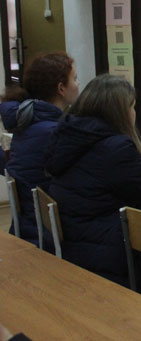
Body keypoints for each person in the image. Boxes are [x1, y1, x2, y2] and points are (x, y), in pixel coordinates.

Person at [43, 74, 141, 286]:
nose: (134, 113)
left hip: (74, 247)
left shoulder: (66, 137)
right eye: (132, 107)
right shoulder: (117, 148)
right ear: (120, 112)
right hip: (110, 259)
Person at [0, 52, 79, 246]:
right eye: (75, 79)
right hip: (47, 234)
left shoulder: (29, 125)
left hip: (29, 226)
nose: (78, 84)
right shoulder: (54, 133)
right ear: (61, 88)